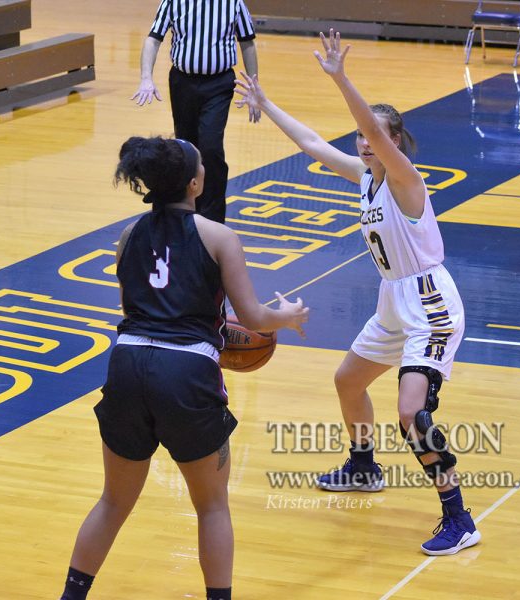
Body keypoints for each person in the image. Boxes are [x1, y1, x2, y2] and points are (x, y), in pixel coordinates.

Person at [234, 30, 481, 556]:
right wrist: (266, 102)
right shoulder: (366, 176)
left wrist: (341, 78)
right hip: (392, 300)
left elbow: (370, 124)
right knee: (348, 380)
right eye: (363, 138)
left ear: (393, 141)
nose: (366, 142)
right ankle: (364, 467)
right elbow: (312, 144)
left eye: (377, 137)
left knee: (412, 414)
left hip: (431, 305)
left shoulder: (405, 180)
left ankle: (458, 517)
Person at [58, 136, 309, 600]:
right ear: (195, 183)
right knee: (212, 506)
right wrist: (287, 317)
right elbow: (253, 318)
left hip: (127, 361)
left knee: (113, 501)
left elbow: (133, 306)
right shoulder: (219, 236)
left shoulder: (128, 234)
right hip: (186, 370)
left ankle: (72, 596)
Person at [132, 0, 261, 224]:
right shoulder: (173, 2)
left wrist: (254, 87)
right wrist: (146, 78)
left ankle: (212, 220)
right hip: (183, 83)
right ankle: (184, 212)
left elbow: (247, 43)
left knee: (211, 149)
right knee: (185, 150)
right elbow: (153, 39)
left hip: (219, 84)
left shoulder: (233, 3)